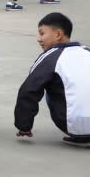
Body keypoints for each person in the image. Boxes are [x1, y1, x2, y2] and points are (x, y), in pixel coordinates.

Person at [14, 13, 90, 148]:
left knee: (50, 83)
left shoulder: (50, 57)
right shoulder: (87, 51)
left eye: (42, 33)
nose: (38, 39)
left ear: (58, 35)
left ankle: (81, 135)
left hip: (75, 126)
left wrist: (24, 125)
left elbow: (28, 91)